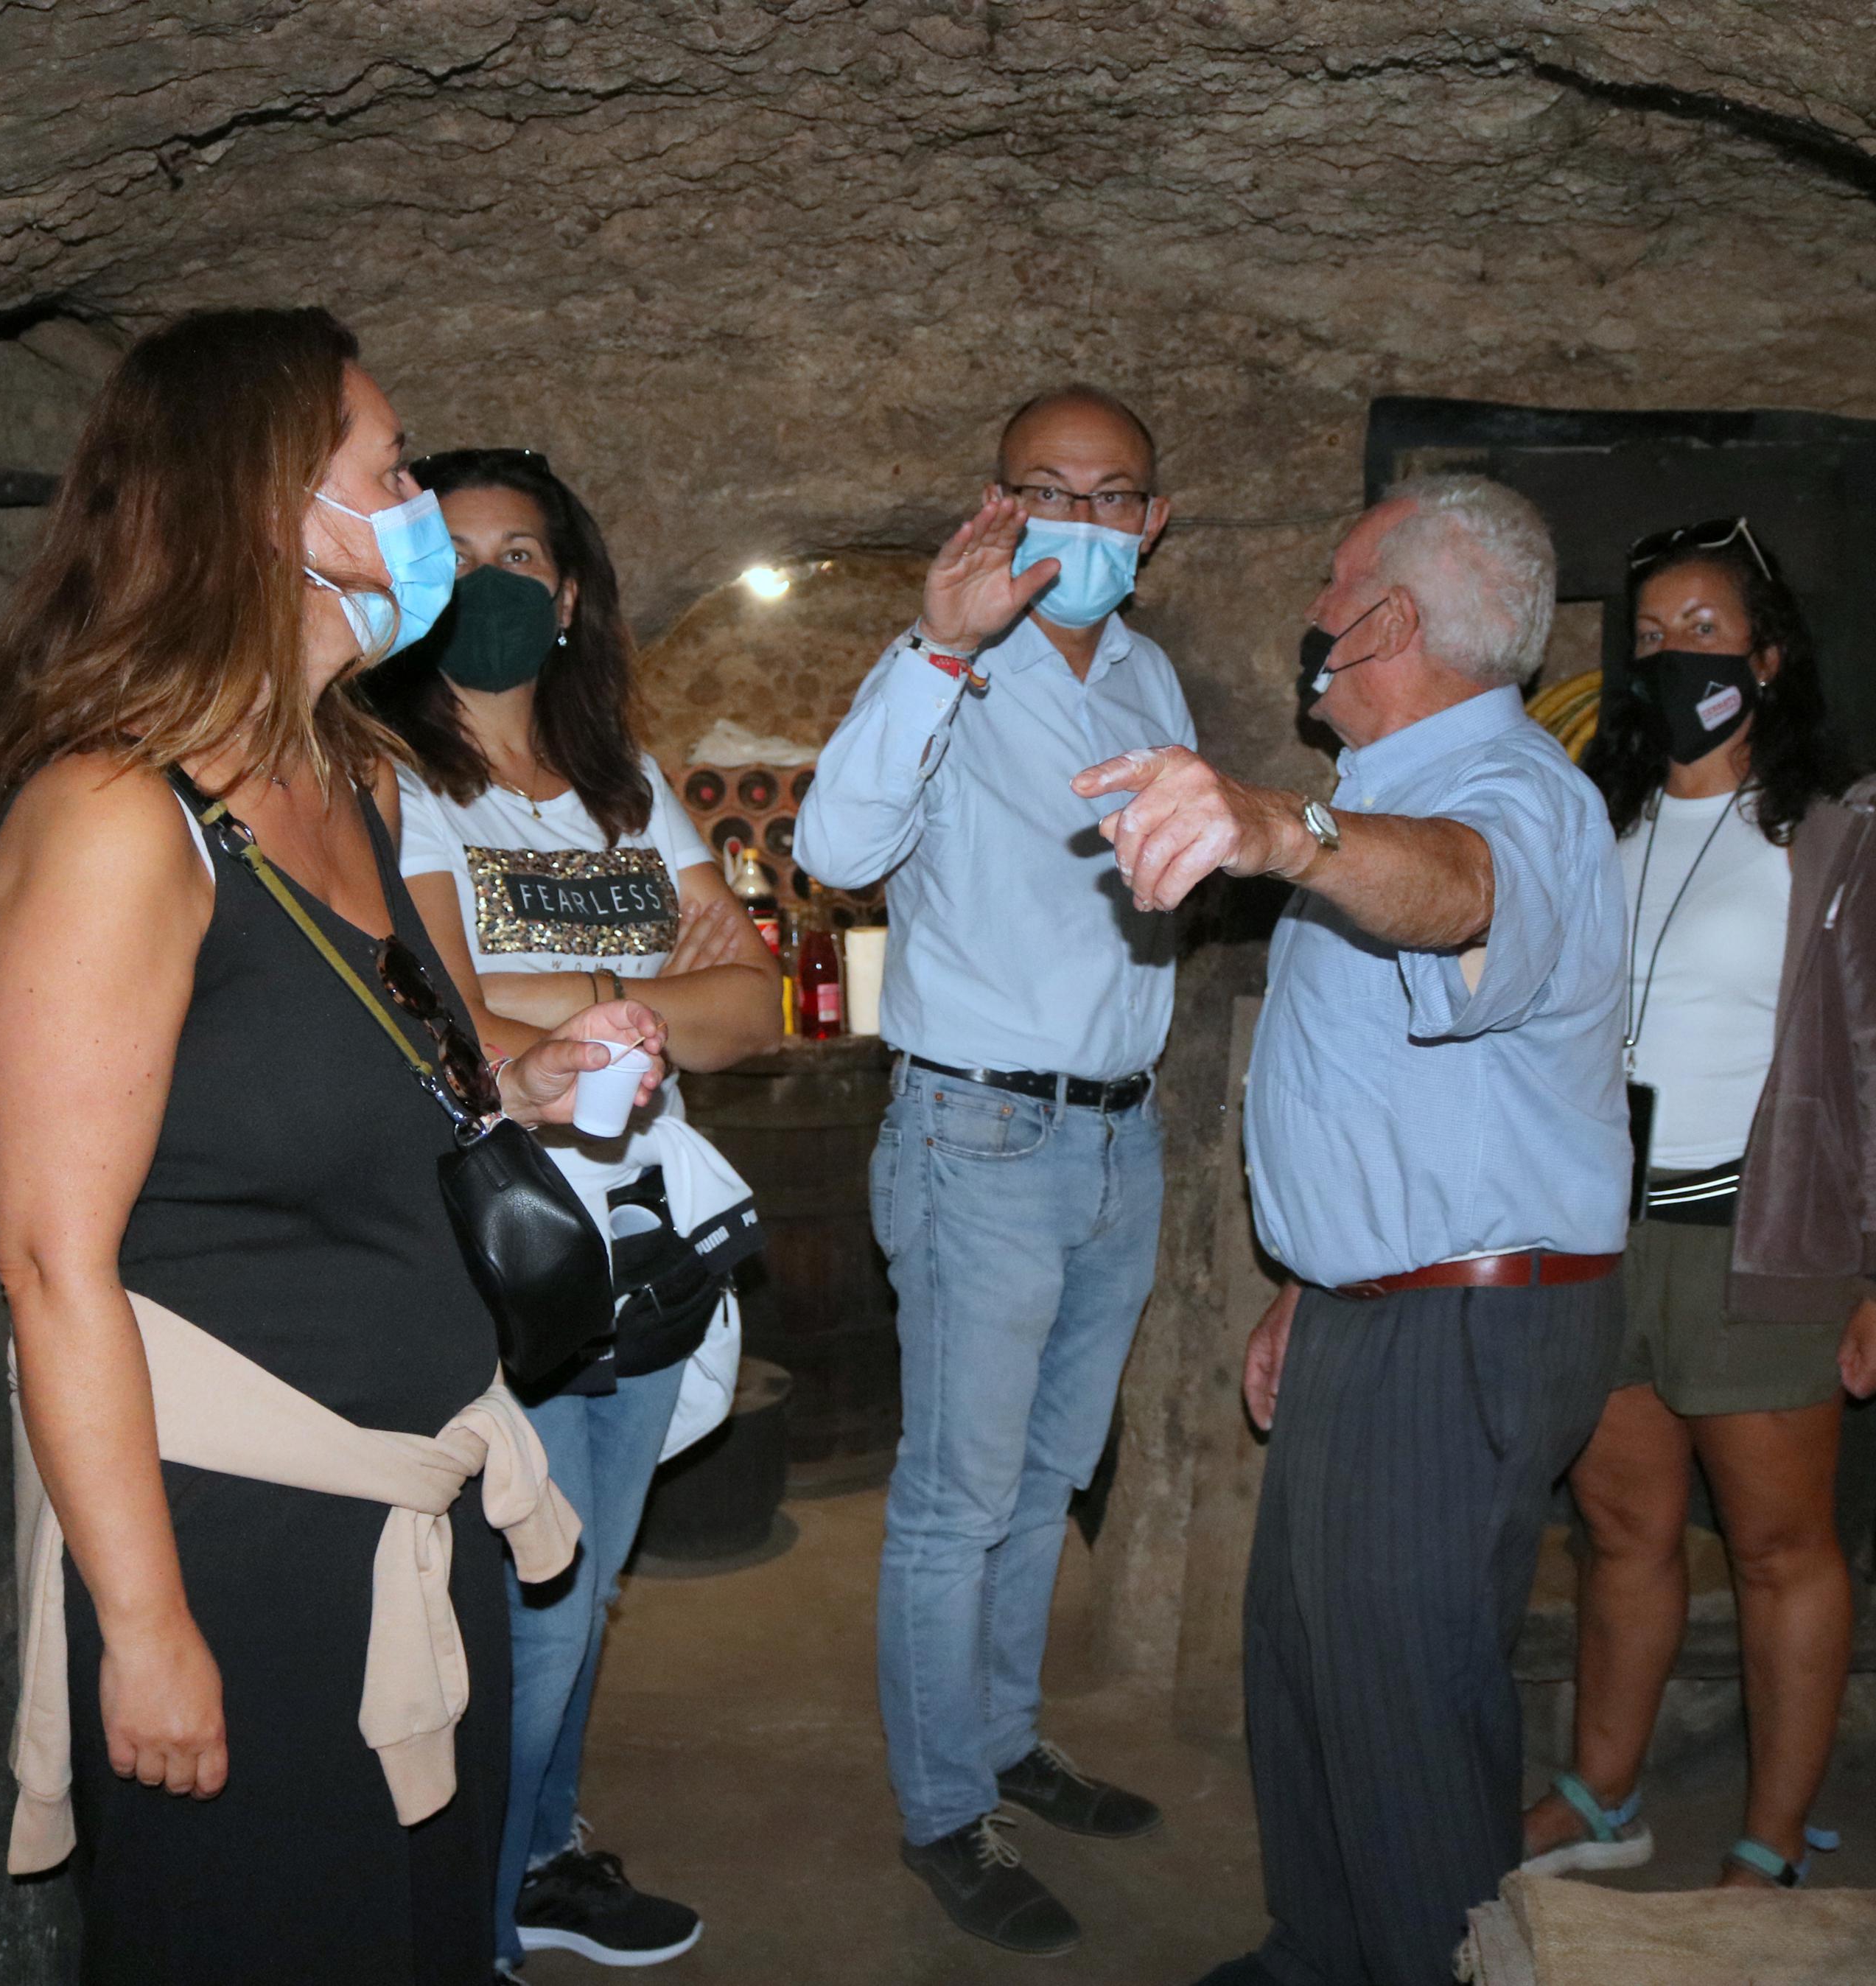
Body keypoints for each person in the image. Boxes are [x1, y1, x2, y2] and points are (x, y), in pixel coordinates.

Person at [0, 308, 665, 1986]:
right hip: (240, 1548)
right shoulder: (118, 819)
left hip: (421, 1503)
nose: (421, 509)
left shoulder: (347, 775)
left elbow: (355, 1081)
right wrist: (146, 1628)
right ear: (272, 508)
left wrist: (521, 1081)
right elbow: (52, 1263)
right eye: (392, 472)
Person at [1074, 475, 1628, 1986]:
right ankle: (1324, 1953)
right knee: (1312, 1667)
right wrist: (1314, 1287)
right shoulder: (1395, 791)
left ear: (1385, 619)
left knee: (1406, 1706)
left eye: (1334, 584)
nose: (1313, 614)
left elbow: (1466, 893)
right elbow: (1399, 1096)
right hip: (1387, 1305)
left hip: (1465, 1324)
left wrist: (1275, 824)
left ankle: (1435, 1965)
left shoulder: (1507, 792)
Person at [793, 385, 1194, 1957]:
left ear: (1152, 520)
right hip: (980, 1131)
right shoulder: (947, 660)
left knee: (1047, 1479)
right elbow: (835, 854)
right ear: (999, 503)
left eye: (1113, 495)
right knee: (955, 1503)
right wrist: (938, 648)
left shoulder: (1150, 673)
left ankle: (1008, 1738)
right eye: (1049, 490)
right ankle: (945, 1810)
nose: (1082, 521)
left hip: (1118, 1131)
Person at [371, 447, 778, 1974]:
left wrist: (570, 993)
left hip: (648, 1241)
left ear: (568, 595)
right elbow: (447, 1015)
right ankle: (471, 1930)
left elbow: (752, 1011)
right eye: (460, 553)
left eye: (523, 556)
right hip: (509, 1250)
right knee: (527, 1622)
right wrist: (643, 985)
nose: (493, 581)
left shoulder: (630, 789)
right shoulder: (393, 780)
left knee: (587, 1591)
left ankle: (540, 1859)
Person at [1517, 521, 1876, 1889]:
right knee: (1624, 1535)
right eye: (1650, 636)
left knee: (1776, 1550)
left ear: (1768, 656)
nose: (1674, 656)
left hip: (1756, 1243)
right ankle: (1603, 1796)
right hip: (1602, 1234)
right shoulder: (1598, 814)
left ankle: (1771, 1840)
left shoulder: (1840, 826)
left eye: (1704, 631)